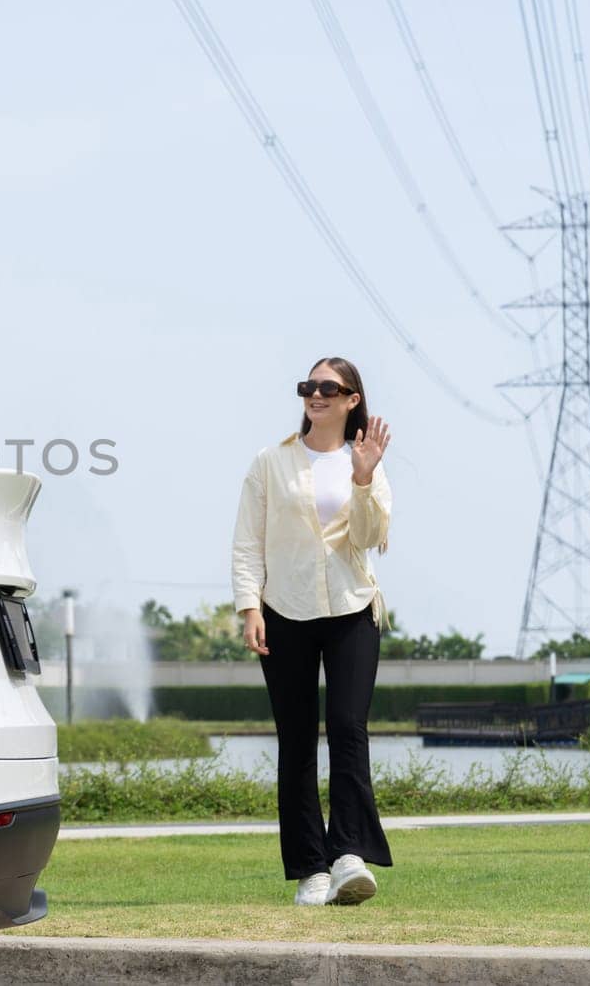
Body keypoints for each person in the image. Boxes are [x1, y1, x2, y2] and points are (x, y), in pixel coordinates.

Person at [231, 356, 394, 907]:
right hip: (284, 611)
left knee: (349, 727)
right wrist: (248, 608)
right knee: (297, 739)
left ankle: (349, 855)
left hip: (352, 609)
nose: (316, 395)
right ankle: (310, 868)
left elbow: (369, 537)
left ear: (352, 399)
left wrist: (364, 477)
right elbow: (248, 543)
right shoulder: (269, 463)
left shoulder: (362, 461)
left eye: (329, 388)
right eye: (308, 386)